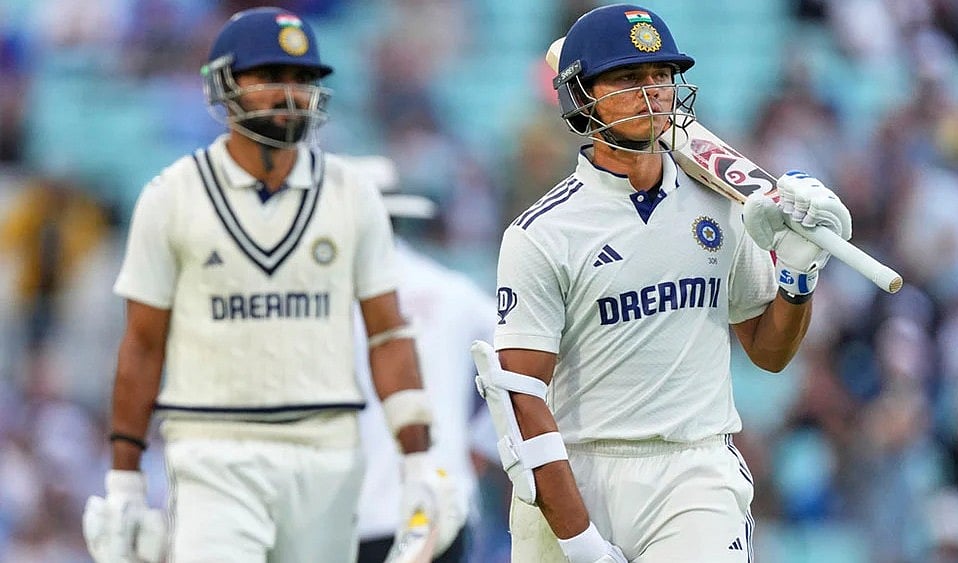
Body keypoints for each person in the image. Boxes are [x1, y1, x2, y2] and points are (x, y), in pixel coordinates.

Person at [471, 4, 853, 563]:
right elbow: (524, 400)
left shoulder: (727, 209)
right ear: (581, 94)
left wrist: (796, 275)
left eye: (662, 76)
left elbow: (769, 354)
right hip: (574, 473)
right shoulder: (540, 234)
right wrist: (583, 547)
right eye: (629, 78)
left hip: (694, 471)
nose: (653, 91)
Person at [81, 8, 457, 562]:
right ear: (225, 84)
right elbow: (141, 343)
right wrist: (125, 480)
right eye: (270, 76)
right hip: (213, 450)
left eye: (304, 79)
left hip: (328, 449)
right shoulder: (171, 196)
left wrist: (419, 461)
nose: (291, 93)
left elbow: (388, 335)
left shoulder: (352, 195)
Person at [345, 156, 497, 563]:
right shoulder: (453, 291)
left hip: (345, 513)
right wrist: (477, 445)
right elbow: (518, 371)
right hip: (441, 500)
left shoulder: (322, 302)